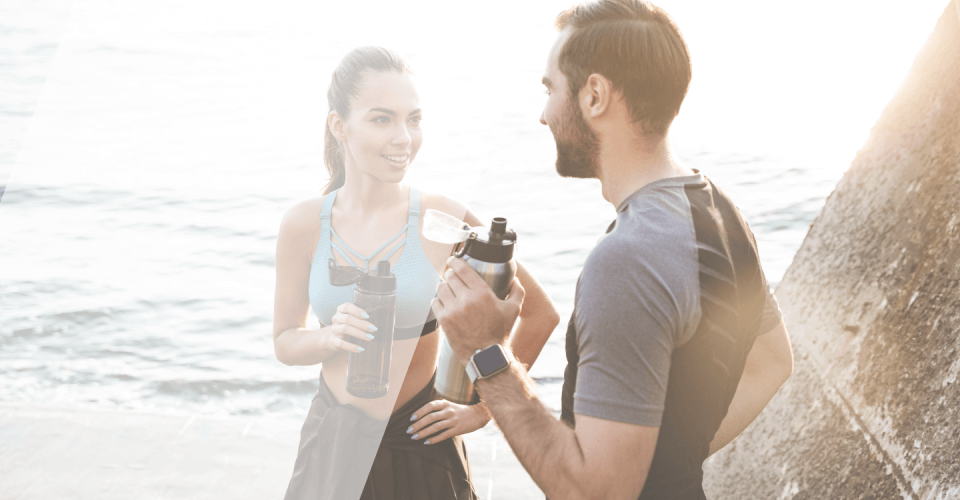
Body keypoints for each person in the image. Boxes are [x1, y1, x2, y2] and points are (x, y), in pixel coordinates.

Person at [433, 1, 795, 499]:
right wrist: (657, 465)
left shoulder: (626, 261)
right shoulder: (719, 210)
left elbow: (594, 493)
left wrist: (484, 351)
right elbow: (772, 363)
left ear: (595, 95)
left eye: (550, 89)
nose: (542, 116)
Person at [272, 46, 560, 500]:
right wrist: (327, 338)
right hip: (332, 442)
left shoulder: (443, 220)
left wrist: (483, 408)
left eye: (414, 119)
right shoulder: (304, 225)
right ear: (338, 126)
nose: (404, 137)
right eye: (383, 119)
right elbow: (286, 340)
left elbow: (538, 314)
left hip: (419, 446)